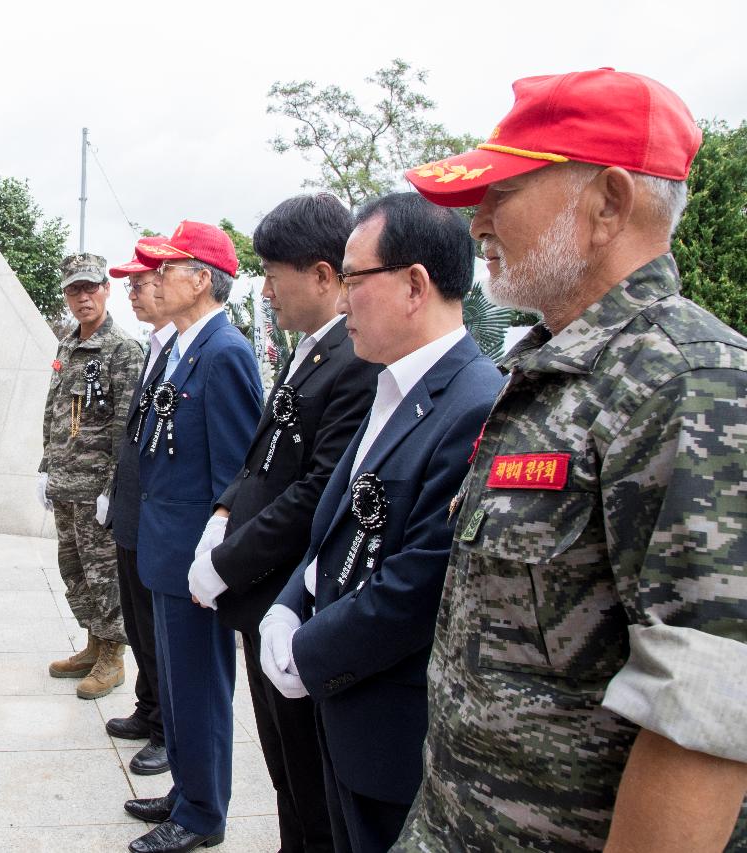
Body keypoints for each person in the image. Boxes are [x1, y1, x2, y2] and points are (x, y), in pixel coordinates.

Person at [394, 68, 747, 851]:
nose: (478, 220)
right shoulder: (553, 372)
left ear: (609, 203)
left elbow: (703, 730)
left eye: (505, 192)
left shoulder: (689, 382)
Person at [261, 192, 504, 852]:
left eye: (355, 279)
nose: (342, 301)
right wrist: (290, 604)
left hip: (398, 737)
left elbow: (418, 583)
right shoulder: (391, 385)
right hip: (347, 721)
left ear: (414, 285)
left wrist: (306, 652)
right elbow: (332, 527)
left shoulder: (476, 404)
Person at [186, 193, 379, 853]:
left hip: (290, 598)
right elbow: (262, 454)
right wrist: (221, 514)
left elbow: (318, 489)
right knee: (285, 774)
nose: (265, 289)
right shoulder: (309, 351)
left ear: (323, 275)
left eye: (275, 273)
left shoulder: (355, 363)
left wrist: (227, 561)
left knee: (311, 781)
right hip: (259, 592)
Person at [123, 221, 262, 853]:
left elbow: (236, 472)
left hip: (193, 559)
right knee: (177, 686)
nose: (153, 279)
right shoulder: (183, 346)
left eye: (166, 269)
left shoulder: (225, 352)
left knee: (201, 688)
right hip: (164, 549)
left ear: (201, 279)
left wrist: (216, 556)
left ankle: (204, 814)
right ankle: (186, 789)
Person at [40, 253, 145, 700]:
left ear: (106, 288)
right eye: (74, 290)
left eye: (90, 288)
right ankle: (93, 644)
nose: (83, 297)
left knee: (105, 577)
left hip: (96, 491)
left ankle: (113, 658)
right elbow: (54, 410)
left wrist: (112, 490)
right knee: (75, 570)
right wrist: (44, 466)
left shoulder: (122, 349)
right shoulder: (67, 343)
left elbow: (128, 427)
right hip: (64, 484)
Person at [102, 237, 177, 776]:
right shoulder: (156, 347)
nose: (134, 292)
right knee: (138, 622)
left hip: (161, 521)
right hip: (133, 513)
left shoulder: (189, 350)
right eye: (129, 284)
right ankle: (148, 707)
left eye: (142, 283)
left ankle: (168, 730)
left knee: (159, 634)